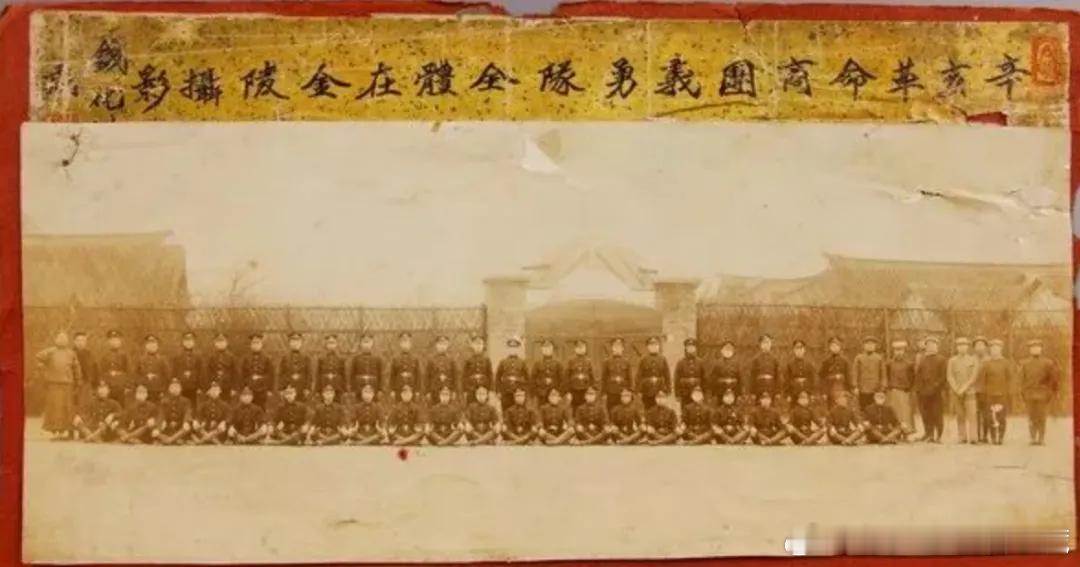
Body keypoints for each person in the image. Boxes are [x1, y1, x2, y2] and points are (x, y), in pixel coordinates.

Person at [35, 331, 82, 439]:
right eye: (60, 338)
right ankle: (55, 432)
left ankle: (64, 432)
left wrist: (78, 381)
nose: (62, 340)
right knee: (54, 409)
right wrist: (42, 367)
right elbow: (38, 357)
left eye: (64, 338)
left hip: (67, 385)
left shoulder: (71, 353)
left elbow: (77, 368)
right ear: (56, 340)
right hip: (53, 385)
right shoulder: (50, 351)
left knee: (66, 409)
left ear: (67, 340)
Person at [1019, 338, 1059, 445]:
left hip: (1042, 394)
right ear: (1029, 350)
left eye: (1037, 347)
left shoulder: (1048, 363)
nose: (1035, 349)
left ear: (1041, 349)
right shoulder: (1024, 363)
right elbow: (1021, 379)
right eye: (1032, 348)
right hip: (1029, 394)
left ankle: (1041, 438)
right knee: (1031, 417)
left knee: (1041, 417)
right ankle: (1032, 437)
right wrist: (1023, 392)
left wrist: (1049, 392)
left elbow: (1053, 379)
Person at [976, 339, 1015, 445]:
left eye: (997, 348)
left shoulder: (1006, 363)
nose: (995, 350)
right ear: (990, 350)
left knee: (1001, 417)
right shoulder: (987, 364)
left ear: (1001, 349)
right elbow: (982, 380)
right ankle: (993, 437)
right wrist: (983, 393)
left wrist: (1009, 393)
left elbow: (1010, 379)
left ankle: (1000, 436)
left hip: (1002, 394)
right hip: (989, 395)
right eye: (993, 348)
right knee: (990, 417)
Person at [914, 336, 947, 443]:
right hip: (923, 391)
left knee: (937, 413)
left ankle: (939, 435)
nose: (930, 346)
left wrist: (936, 386)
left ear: (937, 346)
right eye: (928, 345)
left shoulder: (941, 359)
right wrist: (919, 389)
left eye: (933, 344)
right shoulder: (923, 359)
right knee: (925, 414)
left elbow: (943, 376)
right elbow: (918, 375)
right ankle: (929, 434)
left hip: (936, 392)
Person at [947, 337, 979, 444]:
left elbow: (973, 376)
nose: (962, 347)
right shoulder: (952, 361)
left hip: (970, 392)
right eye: (960, 345)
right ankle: (962, 437)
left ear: (968, 347)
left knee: (972, 415)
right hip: (956, 392)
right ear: (957, 347)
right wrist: (956, 388)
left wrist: (964, 388)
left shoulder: (973, 360)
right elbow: (950, 376)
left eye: (964, 345)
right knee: (960, 415)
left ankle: (973, 437)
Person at [885, 340, 916, 433]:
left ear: (904, 351)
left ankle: (906, 431)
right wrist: (889, 387)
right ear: (894, 351)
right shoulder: (889, 363)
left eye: (901, 350)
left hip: (904, 391)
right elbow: (886, 376)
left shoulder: (909, 364)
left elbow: (912, 378)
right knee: (893, 412)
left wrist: (909, 388)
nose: (899, 352)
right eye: (897, 350)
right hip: (893, 391)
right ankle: (894, 431)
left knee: (905, 413)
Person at [239, 333, 275, 409]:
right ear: (250, 345)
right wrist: (243, 387)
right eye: (253, 343)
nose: (255, 345)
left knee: (261, 408)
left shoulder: (267, 358)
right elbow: (242, 374)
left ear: (261, 344)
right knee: (248, 409)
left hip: (262, 389)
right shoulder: (246, 358)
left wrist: (269, 389)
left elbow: (271, 374)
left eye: (257, 343)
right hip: (249, 388)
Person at [155, 377, 193, 445]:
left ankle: (168, 440)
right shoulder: (164, 402)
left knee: (187, 427)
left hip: (180, 428)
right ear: (169, 389)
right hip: (168, 428)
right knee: (155, 431)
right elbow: (161, 416)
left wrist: (186, 422)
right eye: (172, 387)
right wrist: (158, 428)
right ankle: (175, 440)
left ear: (181, 389)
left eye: (177, 387)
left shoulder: (186, 401)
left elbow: (188, 412)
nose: (175, 389)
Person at [278, 332, 312, 405]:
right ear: (289, 343)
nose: (295, 343)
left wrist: (307, 388)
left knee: (301, 407)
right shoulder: (285, 358)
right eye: (293, 341)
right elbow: (281, 374)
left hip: (301, 388)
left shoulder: (306, 358)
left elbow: (309, 374)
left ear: (301, 343)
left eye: (297, 341)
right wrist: (281, 389)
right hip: (288, 388)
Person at [637, 336, 671, 410]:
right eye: (651, 345)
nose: (654, 347)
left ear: (658, 346)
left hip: (660, 388)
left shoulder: (662, 359)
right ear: (648, 347)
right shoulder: (643, 359)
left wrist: (668, 389)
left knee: (661, 409)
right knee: (648, 409)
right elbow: (639, 376)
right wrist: (639, 390)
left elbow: (667, 375)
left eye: (656, 345)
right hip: (647, 389)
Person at [496, 337, 529, 411]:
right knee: (506, 411)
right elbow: (497, 377)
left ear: (517, 349)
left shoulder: (522, 362)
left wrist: (524, 391)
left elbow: (527, 378)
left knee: (519, 411)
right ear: (507, 349)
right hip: (506, 392)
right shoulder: (503, 362)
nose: (512, 350)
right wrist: (498, 391)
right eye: (510, 348)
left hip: (518, 392)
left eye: (515, 348)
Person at [192, 380, 231, 445]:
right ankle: (214, 441)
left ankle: (201, 441)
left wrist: (224, 422)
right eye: (212, 390)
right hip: (206, 429)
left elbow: (229, 416)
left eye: (216, 390)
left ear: (220, 391)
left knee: (222, 428)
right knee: (196, 425)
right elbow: (199, 415)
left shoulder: (225, 405)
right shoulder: (204, 405)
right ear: (209, 392)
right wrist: (197, 421)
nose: (214, 392)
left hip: (218, 430)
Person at [134, 334, 171, 402]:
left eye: (153, 343)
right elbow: (135, 375)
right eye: (149, 343)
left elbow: (168, 376)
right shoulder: (140, 360)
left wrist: (164, 391)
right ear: (146, 345)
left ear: (157, 346)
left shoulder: (163, 360)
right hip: (144, 392)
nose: (151, 346)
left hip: (158, 392)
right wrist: (142, 381)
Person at [601, 338, 633, 413]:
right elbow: (603, 378)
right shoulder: (607, 362)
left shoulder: (626, 362)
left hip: (624, 392)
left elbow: (630, 378)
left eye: (619, 347)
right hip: (611, 392)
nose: (617, 349)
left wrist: (630, 391)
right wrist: (604, 393)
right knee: (611, 411)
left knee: (625, 412)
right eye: (615, 347)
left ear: (623, 349)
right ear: (612, 348)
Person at [852, 336, 885, 410]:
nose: (870, 346)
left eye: (872, 344)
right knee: (863, 408)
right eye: (867, 344)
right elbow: (855, 373)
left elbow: (883, 374)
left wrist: (883, 386)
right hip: (863, 388)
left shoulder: (879, 358)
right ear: (864, 346)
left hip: (876, 389)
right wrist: (855, 386)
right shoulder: (859, 358)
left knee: (875, 409)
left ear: (875, 346)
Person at [424, 335, 459, 405]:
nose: (442, 346)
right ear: (436, 345)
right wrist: (427, 392)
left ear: (447, 345)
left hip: (448, 390)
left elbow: (455, 376)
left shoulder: (451, 360)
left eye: (444, 344)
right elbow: (427, 377)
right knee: (434, 409)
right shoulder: (431, 360)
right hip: (434, 390)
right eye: (440, 344)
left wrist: (454, 391)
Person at [172, 332, 203, 408]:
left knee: (193, 405)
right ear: (183, 342)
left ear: (194, 342)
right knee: (181, 406)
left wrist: (200, 387)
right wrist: (175, 384)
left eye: (190, 340)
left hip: (193, 386)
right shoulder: (177, 356)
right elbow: (174, 371)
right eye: (186, 340)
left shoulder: (198, 356)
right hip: (181, 386)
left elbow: (201, 371)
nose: (188, 342)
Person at [350, 333, 384, 402]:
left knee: (374, 405)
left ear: (372, 343)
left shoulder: (377, 359)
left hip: (373, 386)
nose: (366, 345)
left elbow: (380, 375)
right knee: (359, 404)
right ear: (361, 344)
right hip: (359, 386)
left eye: (368, 342)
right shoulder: (356, 359)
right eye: (364, 342)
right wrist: (353, 389)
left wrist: (380, 389)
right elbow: (352, 375)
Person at [389, 332, 422, 402]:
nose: (405, 344)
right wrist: (392, 390)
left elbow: (418, 376)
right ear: (400, 344)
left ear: (410, 344)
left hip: (412, 389)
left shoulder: (415, 359)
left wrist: (417, 391)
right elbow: (392, 376)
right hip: (399, 389)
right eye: (403, 342)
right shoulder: (395, 359)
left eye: (407, 342)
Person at [204, 333, 238, 403]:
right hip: (214, 386)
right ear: (215, 343)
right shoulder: (211, 357)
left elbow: (235, 373)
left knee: (227, 405)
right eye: (219, 342)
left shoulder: (231, 357)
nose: (221, 344)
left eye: (223, 342)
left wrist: (234, 388)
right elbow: (207, 372)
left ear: (227, 343)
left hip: (227, 387)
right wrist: (208, 387)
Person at [100, 329, 131, 406]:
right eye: (112, 340)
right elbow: (101, 371)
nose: (114, 342)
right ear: (108, 342)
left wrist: (128, 386)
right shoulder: (104, 356)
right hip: (108, 386)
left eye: (116, 340)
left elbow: (129, 371)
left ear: (120, 342)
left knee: (121, 406)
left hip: (120, 386)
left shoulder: (124, 355)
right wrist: (103, 384)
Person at [748, 335, 781, 405]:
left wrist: (778, 391)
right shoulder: (756, 359)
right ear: (760, 345)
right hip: (759, 387)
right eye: (764, 343)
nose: (766, 345)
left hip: (771, 386)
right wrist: (752, 392)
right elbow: (752, 376)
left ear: (771, 344)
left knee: (771, 406)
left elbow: (777, 376)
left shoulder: (774, 359)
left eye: (768, 343)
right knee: (759, 406)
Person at [707, 341, 742, 405]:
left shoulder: (736, 364)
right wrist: (714, 392)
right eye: (726, 350)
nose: (728, 352)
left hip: (733, 390)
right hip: (721, 391)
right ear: (722, 351)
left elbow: (739, 379)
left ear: (733, 352)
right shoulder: (717, 364)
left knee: (733, 408)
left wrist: (739, 393)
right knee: (721, 407)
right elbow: (713, 379)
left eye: (730, 350)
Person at [461, 334, 494, 403]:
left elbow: (490, 375)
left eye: (480, 344)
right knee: (471, 407)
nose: (478, 346)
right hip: (471, 389)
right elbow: (464, 376)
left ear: (483, 346)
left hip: (484, 388)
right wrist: (465, 390)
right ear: (472, 346)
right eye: (476, 344)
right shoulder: (468, 359)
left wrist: (490, 389)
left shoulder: (486, 360)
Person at [315, 334, 348, 403]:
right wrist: (317, 389)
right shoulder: (321, 358)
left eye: (333, 343)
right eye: (329, 343)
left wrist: (345, 389)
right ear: (326, 345)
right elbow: (318, 374)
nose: (331, 345)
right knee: (323, 404)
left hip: (337, 386)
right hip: (324, 384)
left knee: (337, 404)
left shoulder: (340, 359)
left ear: (336, 344)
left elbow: (343, 374)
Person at [531, 339, 564, 407]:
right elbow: (532, 379)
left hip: (554, 394)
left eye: (549, 347)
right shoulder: (537, 364)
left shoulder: (557, 364)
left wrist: (559, 393)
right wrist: (536, 392)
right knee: (541, 411)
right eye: (545, 348)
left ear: (552, 349)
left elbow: (562, 379)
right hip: (541, 394)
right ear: (542, 349)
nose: (547, 350)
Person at [674, 338, 705, 408]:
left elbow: (704, 378)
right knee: (685, 409)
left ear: (695, 348)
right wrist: (677, 394)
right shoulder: (681, 362)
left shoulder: (700, 362)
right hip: (685, 392)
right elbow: (677, 379)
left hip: (698, 392)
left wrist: (704, 392)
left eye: (692, 347)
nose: (691, 349)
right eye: (689, 347)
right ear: (686, 348)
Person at [564, 339, 595, 410]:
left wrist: (592, 389)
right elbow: (567, 377)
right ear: (575, 349)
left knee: (586, 409)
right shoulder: (571, 361)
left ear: (585, 349)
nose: (580, 349)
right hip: (574, 390)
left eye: (582, 347)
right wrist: (568, 392)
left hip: (585, 390)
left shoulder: (588, 361)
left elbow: (592, 376)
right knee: (575, 409)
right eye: (578, 347)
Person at [783, 339, 816, 406]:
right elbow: (787, 380)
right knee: (794, 409)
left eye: (801, 348)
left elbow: (812, 379)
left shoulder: (809, 364)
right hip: (794, 391)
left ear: (804, 350)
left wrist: (812, 393)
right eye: (797, 349)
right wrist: (788, 394)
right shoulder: (790, 364)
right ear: (794, 350)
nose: (799, 351)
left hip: (807, 391)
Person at [819, 336, 850, 406]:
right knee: (832, 408)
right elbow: (822, 377)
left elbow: (848, 376)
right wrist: (823, 392)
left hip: (842, 388)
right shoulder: (826, 361)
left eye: (837, 346)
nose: (835, 348)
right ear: (830, 347)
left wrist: (848, 390)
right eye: (833, 346)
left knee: (842, 407)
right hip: (830, 389)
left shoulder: (845, 361)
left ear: (840, 347)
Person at [971, 336, 991, 444]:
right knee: (975, 414)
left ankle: (985, 435)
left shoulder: (990, 360)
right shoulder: (971, 359)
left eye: (982, 345)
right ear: (974, 348)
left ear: (986, 347)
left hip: (987, 391)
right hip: (973, 391)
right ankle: (977, 435)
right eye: (977, 345)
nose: (979, 347)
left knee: (987, 414)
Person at [72, 331, 97, 409]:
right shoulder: (70, 354)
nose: (80, 343)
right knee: (74, 406)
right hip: (73, 385)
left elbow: (95, 370)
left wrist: (95, 386)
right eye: (78, 340)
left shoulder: (90, 355)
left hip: (86, 386)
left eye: (83, 340)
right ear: (74, 342)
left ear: (86, 342)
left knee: (87, 407)